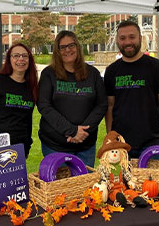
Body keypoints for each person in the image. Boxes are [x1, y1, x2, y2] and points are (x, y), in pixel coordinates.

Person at [104, 20, 159, 159]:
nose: (127, 42)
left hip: (151, 143)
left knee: (151, 181)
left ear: (140, 39)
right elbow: (110, 107)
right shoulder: (111, 71)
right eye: (122, 38)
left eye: (132, 37)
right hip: (121, 144)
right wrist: (111, 137)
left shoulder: (157, 68)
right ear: (117, 41)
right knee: (121, 181)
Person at [37, 30, 108, 167]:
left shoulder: (92, 73)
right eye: (62, 47)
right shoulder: (49, 74)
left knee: (85, 187)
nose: (67, 50)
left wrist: (83, 132)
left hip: (85, 146)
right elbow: (44, 106)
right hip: (55, 146)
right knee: (60, 187)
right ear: (57, 51)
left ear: (77, 47)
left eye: (71, 45)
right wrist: (72, 131)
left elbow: (102, 104)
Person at [0, 43, 38, 158]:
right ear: (9, 59)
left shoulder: (31, 86)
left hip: (20, 147)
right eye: (16, 56)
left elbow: (27, 119)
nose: (21, 59)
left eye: (25, 56)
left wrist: (27, 145)